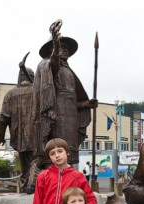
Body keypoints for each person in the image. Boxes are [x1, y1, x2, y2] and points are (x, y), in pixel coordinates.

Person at [34, 20, 97, 168]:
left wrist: (85, 104)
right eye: (62, 47)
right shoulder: (49, 65)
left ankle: (68, 180)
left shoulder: (68, 70)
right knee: (57, 150)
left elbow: (71, 101)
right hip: (57, 118)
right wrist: (56, 44)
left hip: (70, 118)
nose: (66, 50)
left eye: (67, 48)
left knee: (69, 154)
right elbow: (54, 63)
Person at [0, 53, 41, 193]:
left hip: (19, 137)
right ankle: (34, 187)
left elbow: (4, 118)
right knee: (37, 162)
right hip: (38, 136)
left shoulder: (10, 94)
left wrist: (1, 136)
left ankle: (25, 187)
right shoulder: (39, 92)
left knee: (25, 165)